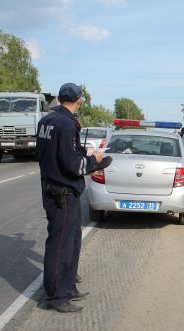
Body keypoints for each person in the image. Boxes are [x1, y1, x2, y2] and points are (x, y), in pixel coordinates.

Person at [36, 83, 111, 313]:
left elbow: (55, 154)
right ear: (79, 100)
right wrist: (94, 160)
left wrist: (83, 153)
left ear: (59, 98)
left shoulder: (46, 120)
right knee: (61, 246)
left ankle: (67, 287)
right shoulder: (67, 123)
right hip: (63, 192)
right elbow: (71, 165)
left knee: (72, 241)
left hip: (53, 187)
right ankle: (57, 297)